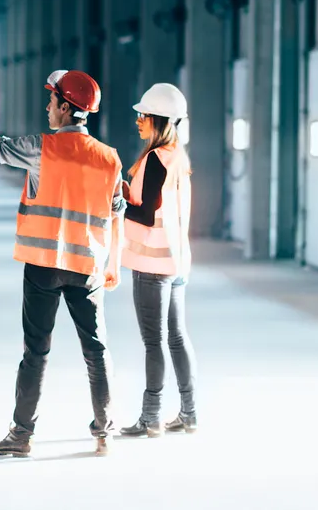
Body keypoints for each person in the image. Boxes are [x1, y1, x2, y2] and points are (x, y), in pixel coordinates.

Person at [0, 69, 125, 457]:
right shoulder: (110, 159)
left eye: (52, 102)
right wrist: (111, 264)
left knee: (37, 350)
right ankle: (104, 432)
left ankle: (21, 435)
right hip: (87, 268)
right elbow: (116, 210)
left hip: (43, 264)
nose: (47, 108)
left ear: (66, 109)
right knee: (96, 349)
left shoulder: (42, 148)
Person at [117, 83, 199, 438]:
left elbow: (145, 216)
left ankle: (151, 417)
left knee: (154, 342)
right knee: (177, 337)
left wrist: (118, 203)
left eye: (143, 115)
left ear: (158, 120)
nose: (137, 120)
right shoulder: (178, 157)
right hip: (177, 261)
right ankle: (189, 413)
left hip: (152, 266)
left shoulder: (153, 159)